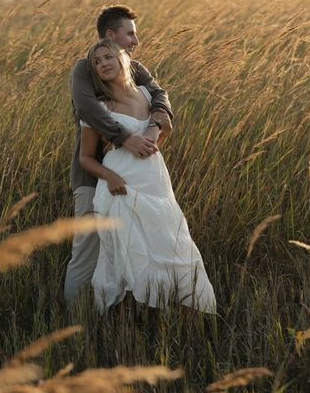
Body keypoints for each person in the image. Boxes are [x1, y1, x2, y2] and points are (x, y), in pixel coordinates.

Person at [79, 39, 216, 313]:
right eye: (97, 61)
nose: (103, 63)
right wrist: (109, 176)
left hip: (155, 181)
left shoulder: (146, 94)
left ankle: (173, 313)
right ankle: (129, 321)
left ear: (123, 59)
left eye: (108, 57)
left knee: (170, 246)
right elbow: (85, 158)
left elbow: (164, 132)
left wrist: (153, 137)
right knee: (130, 256)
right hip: (120, 188)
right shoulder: (99, 107)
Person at [64, 5, 173, 303]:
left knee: (127, 250)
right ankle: (75, 319)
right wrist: (126, 139)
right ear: (111, 35)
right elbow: (86, 109)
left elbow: (160, 97)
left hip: (134, 179)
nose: (136, 41)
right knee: (86, 251)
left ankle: (120, 314)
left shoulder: (135, 70)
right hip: (92, 175)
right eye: (130, 34)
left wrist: (153, 128)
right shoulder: (85, 68)